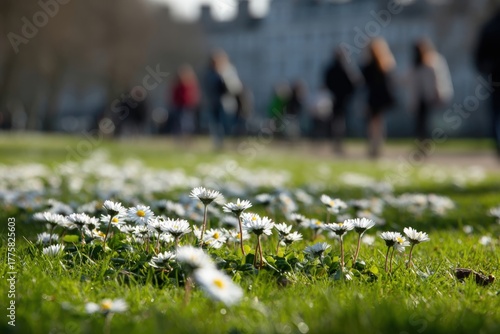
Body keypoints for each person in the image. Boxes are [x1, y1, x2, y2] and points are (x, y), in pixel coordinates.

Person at [409, 38, 453, 143]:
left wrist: (438, 93)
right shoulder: (418, 63)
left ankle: (426, 141)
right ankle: (422, 142)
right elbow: (413, 81)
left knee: (428, 122)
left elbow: (439, 78)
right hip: (422, 97)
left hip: (432, 96)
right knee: (421, 122)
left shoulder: (434, 60)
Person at [361, 38, 396, 158]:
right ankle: (377, 145)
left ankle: (374, 145)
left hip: (374, 97)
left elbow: (365, 82)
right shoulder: (385, 64)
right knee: (378, 122)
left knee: (373, 122)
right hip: (380, 97)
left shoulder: (371, 65)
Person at [324, 46, 362, 154]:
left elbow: (327, 83)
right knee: (340, 121)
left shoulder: (331, 68)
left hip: (335, 99)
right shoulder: (346, 69)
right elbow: (354, 83)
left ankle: (336, 142)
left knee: (336, 121)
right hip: (342, 100)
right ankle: (338, 142)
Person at [475, 9, 500, 158]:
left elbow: (479, 58)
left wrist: (489, 68)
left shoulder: (489, 27)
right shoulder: (490, 27)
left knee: (496, 116)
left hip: (495, 80)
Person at [204, 50, 242, 150]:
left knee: (228, 125)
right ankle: (219, 145)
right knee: (215, 125)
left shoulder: (228, 71)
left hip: (227, 103)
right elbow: (207, 87)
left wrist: (224, 79)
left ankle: (232, 144)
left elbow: (236, 87)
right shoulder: (209, 73)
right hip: (213, 102)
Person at [170, 64, 200, 141]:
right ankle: (179, 138)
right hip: (178, 106)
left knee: (187, 123)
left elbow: (193, 95)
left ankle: (187, 138)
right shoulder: (177, 85)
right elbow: (174, 95)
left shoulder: (190, 84)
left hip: (188, 107)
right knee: (179, 123)